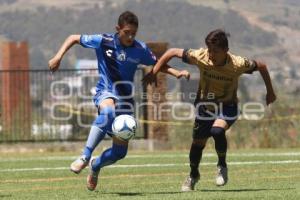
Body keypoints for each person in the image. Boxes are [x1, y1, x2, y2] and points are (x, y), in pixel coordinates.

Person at [48, 11, 190, 191]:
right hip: (105, 91)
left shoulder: (140, 49)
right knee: (107, 113)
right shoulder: (103, 41)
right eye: (127, 32)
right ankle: (85, 156)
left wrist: (176, 73)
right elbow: (73, 37)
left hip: (126, 101)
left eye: (133, 33)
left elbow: (157, 63)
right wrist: (58, 56)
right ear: (118, 29)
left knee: (119, 153)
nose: (130, 37)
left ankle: (95, 165)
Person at [143, 29, 276, 191]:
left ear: (226, 51)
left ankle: (222, 165)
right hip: (204, 107)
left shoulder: (238, 63)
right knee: (197, 144)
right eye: (209, 50)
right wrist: (154, 72)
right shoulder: (201, 56)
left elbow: (262, 65)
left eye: (215, 51)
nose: (211, 54)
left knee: (217, 131)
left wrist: (270, 91)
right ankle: (193, 175)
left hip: (228, 106)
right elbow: (171, 52)